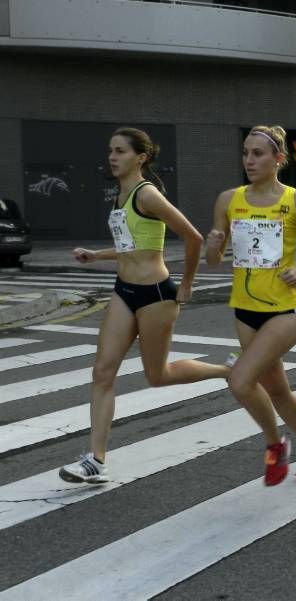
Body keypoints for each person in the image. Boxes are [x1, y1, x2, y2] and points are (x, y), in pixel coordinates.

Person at [60, 127, 231, 484]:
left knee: (158, 376)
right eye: (110, 150)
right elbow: (131, 246)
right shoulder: (119, 195)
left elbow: (193, 237)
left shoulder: (147, 194)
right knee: (103, 372)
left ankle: (229, 371)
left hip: (155, 295)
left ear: (141, 158)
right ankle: (95, 459)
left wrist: (185, 284)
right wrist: (97, 256)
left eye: (120, 151)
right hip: (124, 291)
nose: (112, 156)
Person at [205, 125, 296, 485]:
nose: (249, 160)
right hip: (245, 310)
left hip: (285, 310)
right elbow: (213, 260)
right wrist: (213, 244)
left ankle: (275, 443)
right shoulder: (228, 200)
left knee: (241, 380)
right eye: (246, 152)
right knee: (277, 389)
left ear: (278, 158)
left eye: (258, 153)